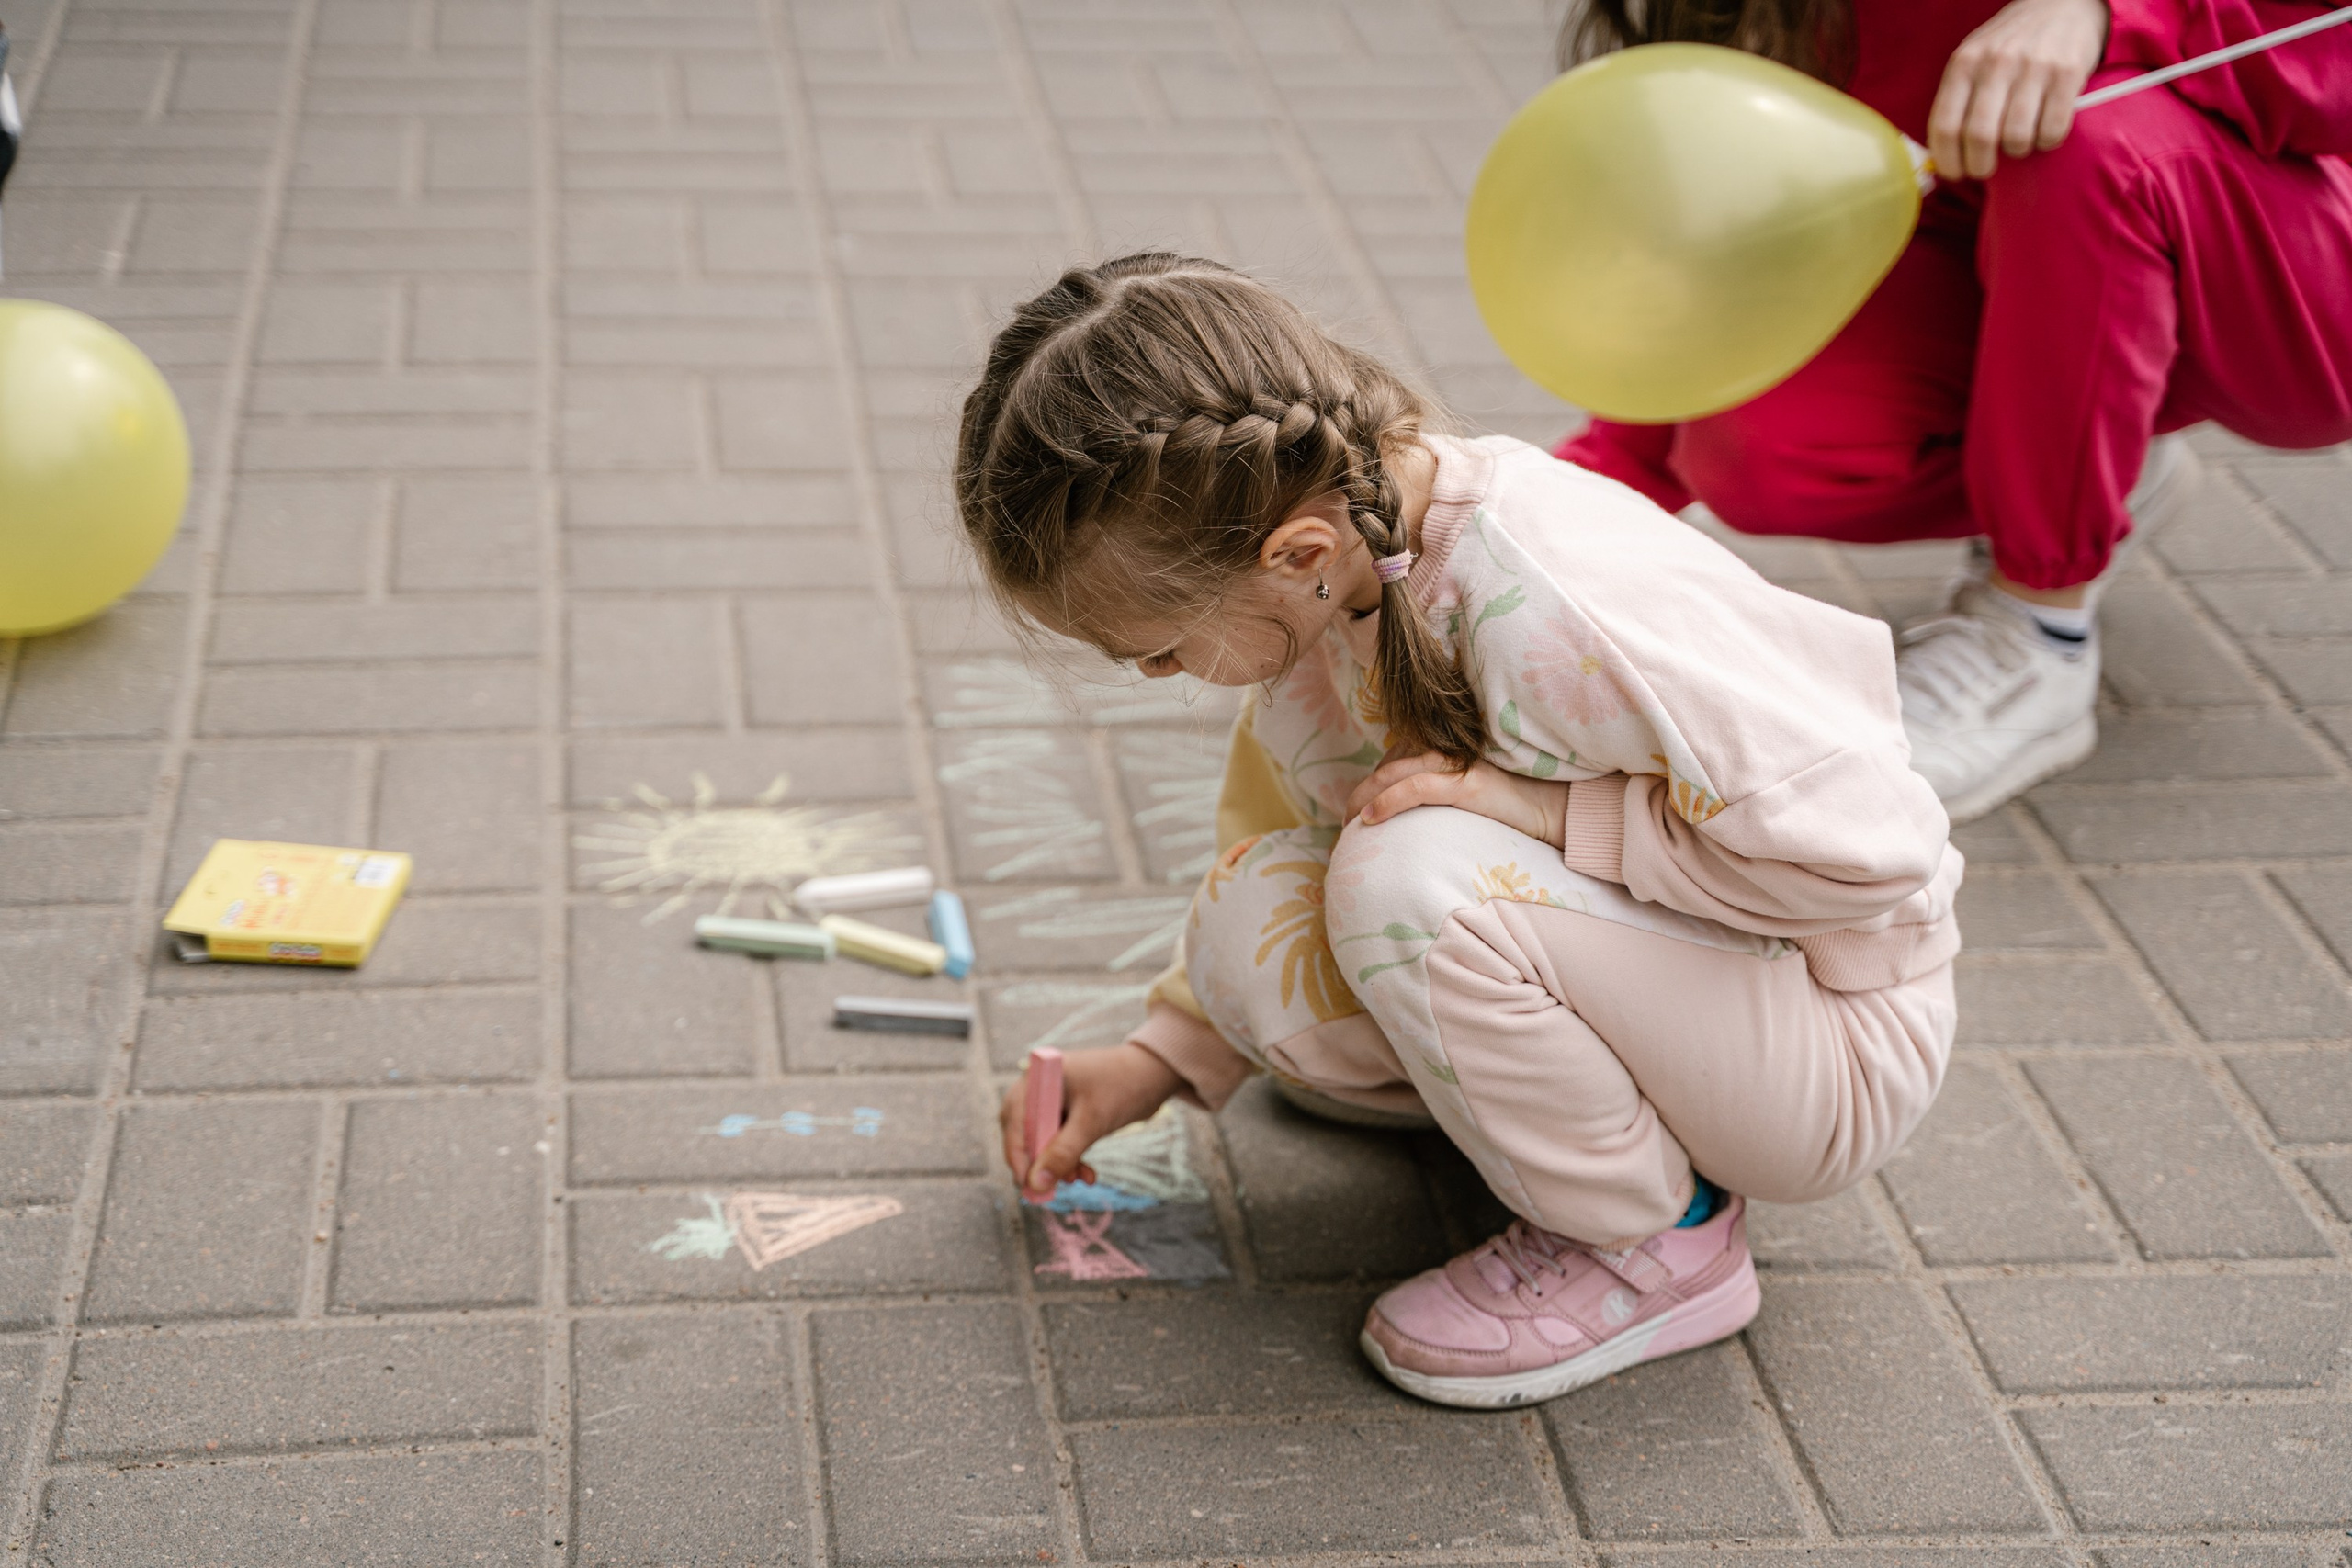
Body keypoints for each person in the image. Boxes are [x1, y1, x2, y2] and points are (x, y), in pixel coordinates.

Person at [956, 254, 1961, 1408]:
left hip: (1832, 1043)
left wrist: (1545, 812)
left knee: (1403, 877)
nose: (1160, 675)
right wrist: (1167, 1057)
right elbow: (1282, 824)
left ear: (1294, 556)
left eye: (1159, 648)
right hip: (1693, 983)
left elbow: (1871, 856)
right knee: (1257, 916)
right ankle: (1556, 1122)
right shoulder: (1335, 580)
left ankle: (1654, 1244)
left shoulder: (1556, 602)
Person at [1556, 0, 2352, 820]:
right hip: (2000, 242)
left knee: (2078, 123)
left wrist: (2108, 12)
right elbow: (1783, 212)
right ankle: (2103, 468)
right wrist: (1574, 495)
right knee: (1755, 451)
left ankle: (2041, 636)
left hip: (2293, 261)